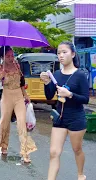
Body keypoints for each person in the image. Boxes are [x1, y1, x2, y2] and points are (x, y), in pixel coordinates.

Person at [40, 41, 89, 180]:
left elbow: (85, 99)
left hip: (76, 118)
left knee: (77, 149)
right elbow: (49, 96)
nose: (61, 55)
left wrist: (70, 94)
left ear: (73, 54)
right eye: (59, 53)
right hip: (59, 117)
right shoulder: (56, 74)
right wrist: (47, 83)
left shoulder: (80, 75)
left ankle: (80, 174)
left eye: (64, 52)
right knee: (54, 153)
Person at [0, 46, 36, 163]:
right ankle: (3, 146)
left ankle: (25, 152)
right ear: (2, 57)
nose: (11, 58)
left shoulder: (17, 65)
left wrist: (25, 95)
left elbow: (21, 82)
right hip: (6, 97)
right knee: (4, 122)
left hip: (19, 97)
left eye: (12, 55)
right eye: (8, 56)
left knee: (21, 123)